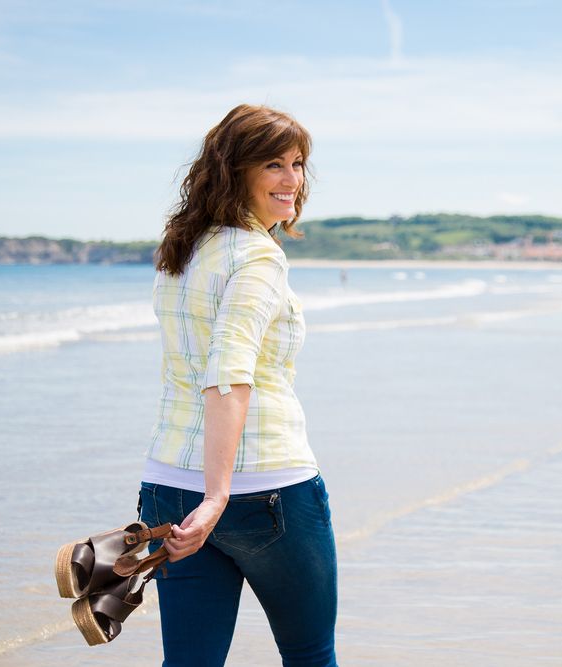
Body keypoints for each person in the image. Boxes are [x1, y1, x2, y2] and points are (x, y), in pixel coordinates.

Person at [138, 104, 337, 666]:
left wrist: (202, 496)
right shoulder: (257, 258)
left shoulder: (183, 249)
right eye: (274, 164)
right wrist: (218, 496)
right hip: (264, 489)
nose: (293, 179)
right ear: (235, 171)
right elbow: (229, 373)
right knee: (310, 656)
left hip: (168, 485)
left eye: (298, 164)